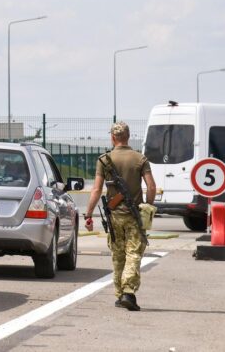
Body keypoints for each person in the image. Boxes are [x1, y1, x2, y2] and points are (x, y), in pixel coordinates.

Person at [84, 122, 156, 311]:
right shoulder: (140, 158)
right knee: (134, 253)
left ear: (113, 138)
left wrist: (88, 214)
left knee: (117, 255)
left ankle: (119, 294)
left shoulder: (104, 160)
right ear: (128, 136)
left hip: (114, 215)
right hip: (134, 215)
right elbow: (151, 186)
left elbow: (97, 189)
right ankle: (128, 292)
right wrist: (148, 205)